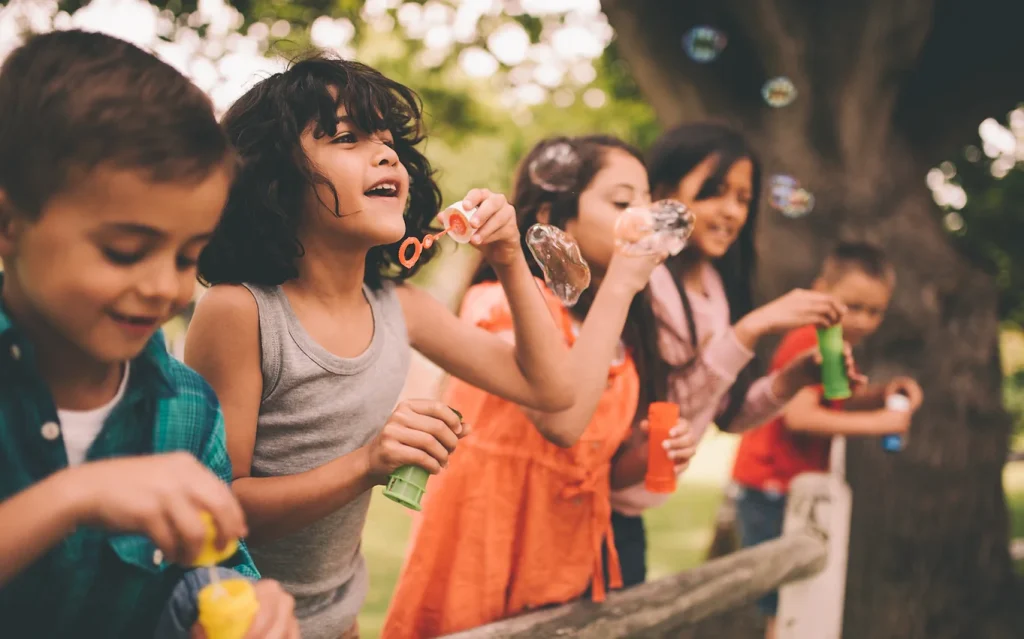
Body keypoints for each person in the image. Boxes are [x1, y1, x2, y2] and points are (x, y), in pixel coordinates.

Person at [184, 54, 574, 639]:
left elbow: (551, 387)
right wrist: (368, 463)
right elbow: (219, 511)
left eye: (390, 143)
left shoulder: (399, 307)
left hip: (339, 623)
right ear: (273, 177)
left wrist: (509, 258)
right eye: (346, 137)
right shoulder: (241, 312)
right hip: (237, 624)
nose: (387, 154)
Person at [0, 30, 296, 638]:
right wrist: (70, 498)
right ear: (9, 223)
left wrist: (247, 602)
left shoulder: (188, 407)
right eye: (125, 251)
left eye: (189, 257)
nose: (166, 287)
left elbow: (214, 563)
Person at [381, 134, 697, 639]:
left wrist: (645, 455)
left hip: (570, 557)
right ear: (553, 218)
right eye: (622, 201)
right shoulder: (498, 305)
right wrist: (620, 284)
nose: (643, 217)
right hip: (486, 546)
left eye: (646, 200)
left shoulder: (614, 330)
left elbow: (594, 464)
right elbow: (562, 423)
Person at [609, 122, 849, 586]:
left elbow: (727, 414)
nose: (731, 211)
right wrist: (747, 332)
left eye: (743, 198)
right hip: (594, 499)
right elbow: (667, 405)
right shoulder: (642, 282)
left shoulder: (721, 289)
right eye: (714, 192)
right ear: (661, 193)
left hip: (630, 516)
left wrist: (790, 380)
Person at [731, 241, 922, 639]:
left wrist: (880, 394)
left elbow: (831, 397)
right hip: (772, 486)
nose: (865, 321)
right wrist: (881, 424)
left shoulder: (835, 342)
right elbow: (800, 417)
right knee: (784, 606)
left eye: (876, 312)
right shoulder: (809, 339)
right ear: (821, 291)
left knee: (797, 598)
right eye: (854, 306)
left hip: (792, 487)